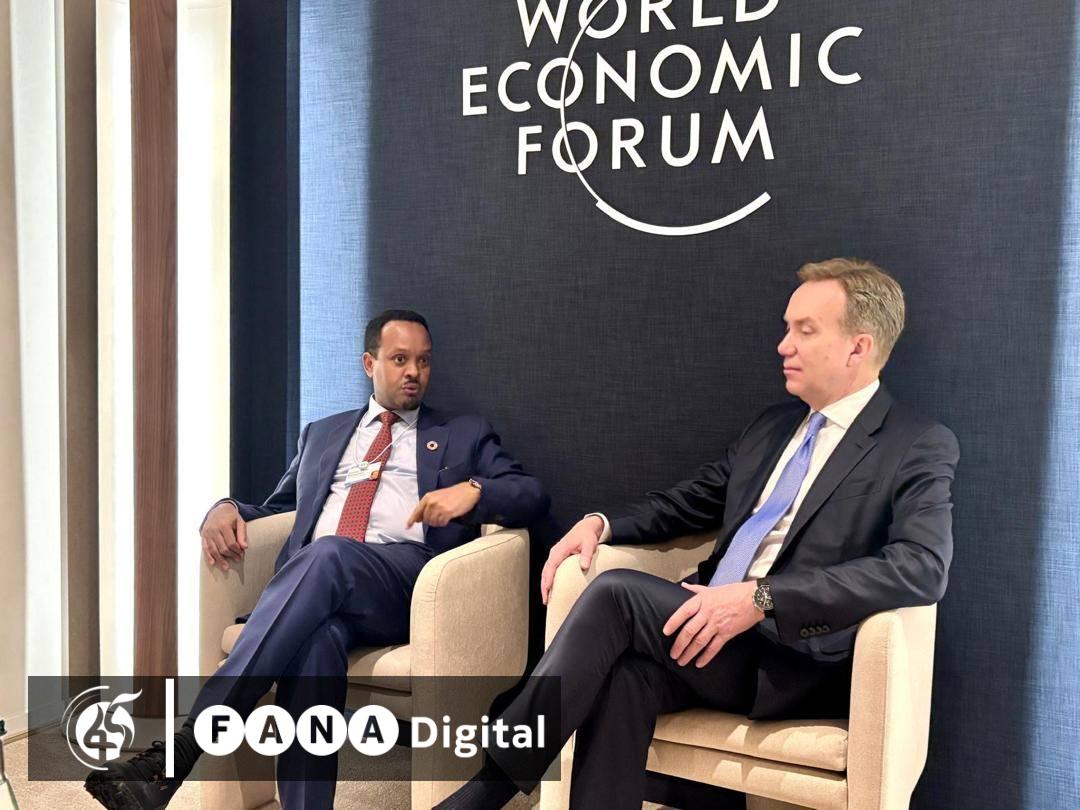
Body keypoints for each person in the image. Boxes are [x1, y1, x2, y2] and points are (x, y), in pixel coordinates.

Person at [438, 258, 960, 810]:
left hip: (797, 658)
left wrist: (761, 598)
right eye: (787, 328)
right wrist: (601, 523)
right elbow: (688, 501)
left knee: (615, 594)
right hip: (709, 633)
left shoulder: (916, 443)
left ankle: (487, 791)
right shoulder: (772, 428)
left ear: (858, 347)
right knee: (627, 678)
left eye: (805, 331)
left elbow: (921, 567)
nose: (783, 345)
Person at [85, 309, 550, 810]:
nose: (414, 372)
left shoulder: (462, 432)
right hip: (323, 588)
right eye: (400, 360)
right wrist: (225, 508)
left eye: (424, 361)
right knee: (316, 641)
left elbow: (531, 494)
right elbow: (280, 510)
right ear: (369, 363)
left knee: (328, 554)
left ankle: (184, 745)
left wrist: (474, 489)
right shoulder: (323, 434)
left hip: (406, 584)